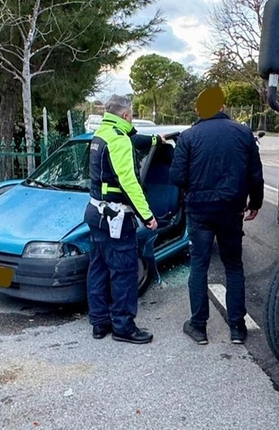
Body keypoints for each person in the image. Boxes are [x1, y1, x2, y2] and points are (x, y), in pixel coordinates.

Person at [170, 86, 264, 345]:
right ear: (223, 107)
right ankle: (237, 327)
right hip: (232, 210)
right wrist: (255, 202)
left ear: (199, 110)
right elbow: (255, 174)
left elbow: (176, 177)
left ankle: (198, 327)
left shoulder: (188, 137)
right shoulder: (243, 133)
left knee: (198, 266)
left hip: (199, 211)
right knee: (233, 265)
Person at [84, 94, 159, 344]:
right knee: (125, 272)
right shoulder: (118, 140)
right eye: (132, 114)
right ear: (126, 115)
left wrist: (157, 139)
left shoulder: (100, 134)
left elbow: (134, 140)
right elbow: (129, 182)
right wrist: (147, 215)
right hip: (116, 217)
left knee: (98, 269)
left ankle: (99, 323)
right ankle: (124, 327)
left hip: (96, 214)